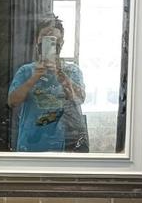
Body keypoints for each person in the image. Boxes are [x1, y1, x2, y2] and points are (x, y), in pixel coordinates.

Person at [8, 16, 89, 152]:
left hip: (65, 146)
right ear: (37, 41)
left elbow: (80, 98)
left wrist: (60, 74)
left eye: (54, 39)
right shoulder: (26, 71)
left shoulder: (72, 71)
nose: (50, 43)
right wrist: (34, 78)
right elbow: (12, 102)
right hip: (30, 146)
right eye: (45, 37)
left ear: (61, 43)